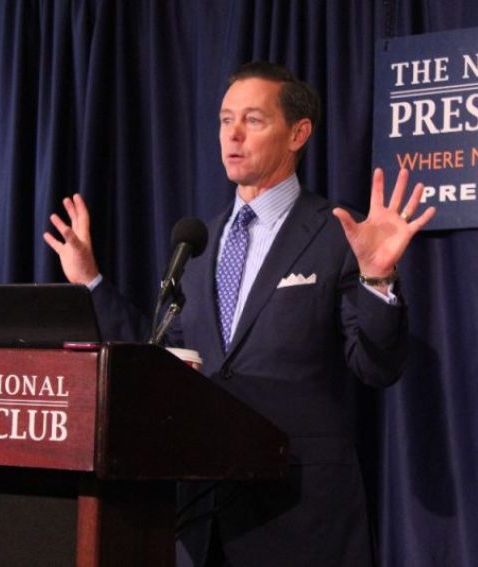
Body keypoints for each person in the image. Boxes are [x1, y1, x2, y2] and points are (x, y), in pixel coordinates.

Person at [44, 61, 434, 567]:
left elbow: (377, 366)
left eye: (253, 119)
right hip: (202, 517)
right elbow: (160, 356)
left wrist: (378, 277)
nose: (233, 134)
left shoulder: (339, 233)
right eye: (226, 119)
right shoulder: (198, 243)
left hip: (301, 514)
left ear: (299, 133)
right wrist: (90, 282)